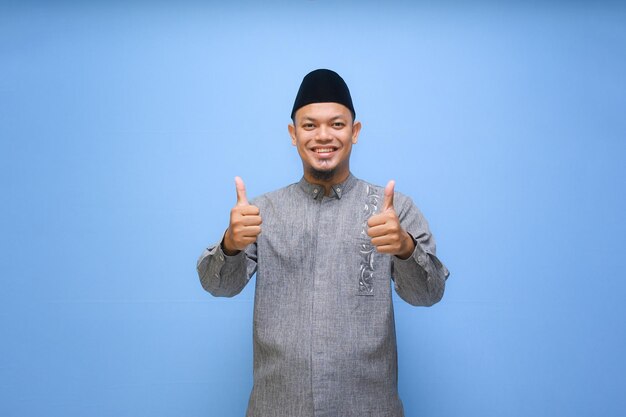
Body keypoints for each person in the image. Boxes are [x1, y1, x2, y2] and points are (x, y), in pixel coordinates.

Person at [197, 69, 449, 417]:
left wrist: (405, 248)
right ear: (293, 133)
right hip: (279, 407)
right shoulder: (260, 212)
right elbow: (217, 285)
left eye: (337, 124)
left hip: (367, 408)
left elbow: (429, 293)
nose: (323, 136)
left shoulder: (392, 209)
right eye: (310, 125)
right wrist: (230, 244)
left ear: (355, 132)